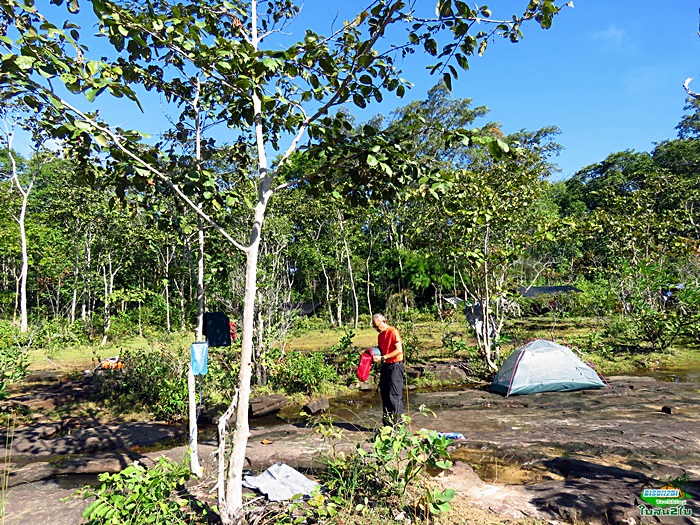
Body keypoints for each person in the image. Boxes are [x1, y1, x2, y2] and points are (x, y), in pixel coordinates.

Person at [371, 313, 404, 427]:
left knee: (394, 396)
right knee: (385, 395)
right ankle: (387, 426)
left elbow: (399, 350)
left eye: (377, 326)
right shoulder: (380, 336)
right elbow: (381, 350)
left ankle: (398, 426)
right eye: (374, 327)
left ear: (383, 322)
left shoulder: (393, 332)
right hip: (385, 366)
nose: (376, 329)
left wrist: (383, 357)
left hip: (395, 365)